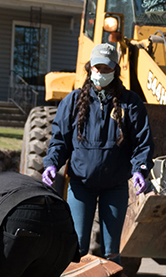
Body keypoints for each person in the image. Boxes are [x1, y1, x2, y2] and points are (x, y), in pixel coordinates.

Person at [42, 41, 154, 257]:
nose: (101, 73)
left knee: (112, 251)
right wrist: (51, 164)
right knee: (77, 248)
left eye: (106, 69)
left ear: (115, 70)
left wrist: (140, 169)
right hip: (81, 185)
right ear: (89, 68)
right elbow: (60, 140)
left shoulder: (131, 103)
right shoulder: (72, 101)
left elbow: (143, 142)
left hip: (115, 186)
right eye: (97, 68)